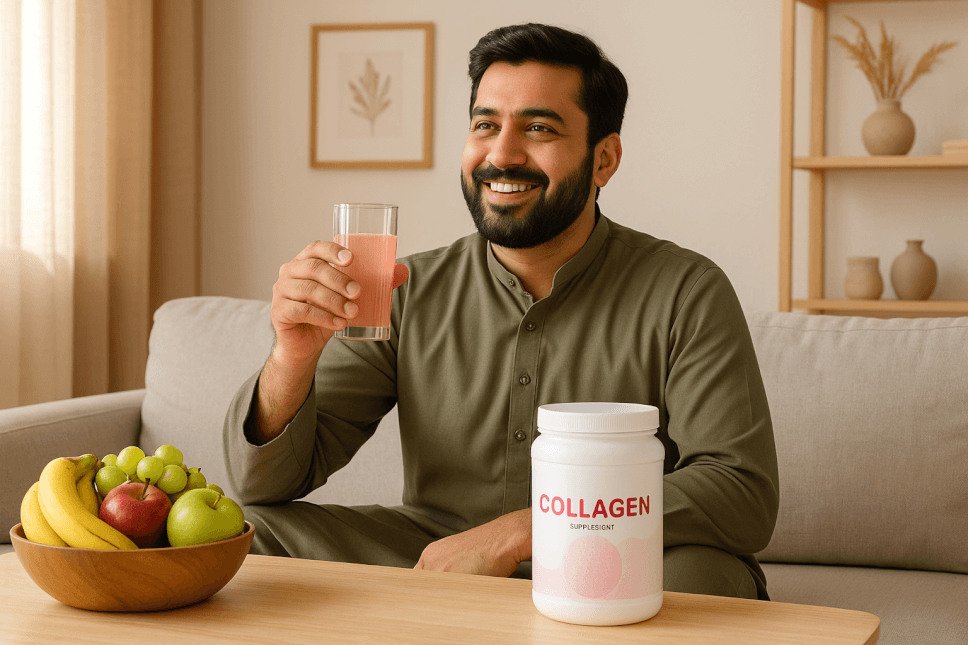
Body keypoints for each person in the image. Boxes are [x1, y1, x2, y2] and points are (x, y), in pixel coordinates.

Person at [223, 22, 779, 600]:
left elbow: (740, 492)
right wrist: (292, 355)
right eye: (486, 125)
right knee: (249, 533)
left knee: (703, 581)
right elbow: (264, 484)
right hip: (439, 552)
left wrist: (529, 529)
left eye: (538, 128)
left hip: (611, 553)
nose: (502, 154)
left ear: (604, 159)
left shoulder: (686, 290)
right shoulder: (405, 288)